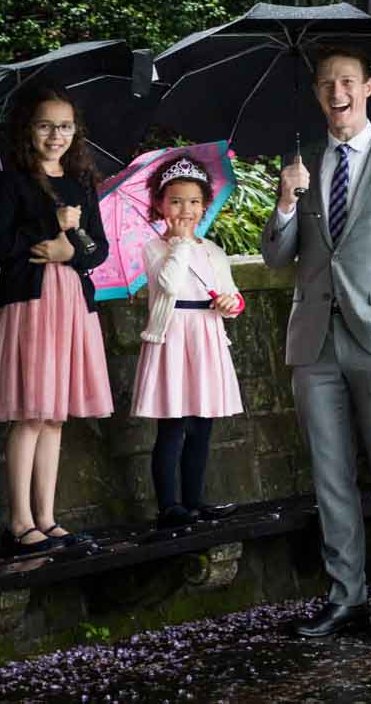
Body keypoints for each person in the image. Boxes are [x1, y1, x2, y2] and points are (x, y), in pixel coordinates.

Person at [264, 47, 371, 639]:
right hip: (314, 339)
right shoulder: (303, 161)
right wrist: (287, 201)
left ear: (367, 88)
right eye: (324, 84)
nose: (335, 92)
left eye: (346, 82)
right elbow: (275, 256)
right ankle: (347, 595)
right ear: (317, 94)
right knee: (331, 474)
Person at [0, 87, 115, 554]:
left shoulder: (81, 183)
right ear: (28, 130)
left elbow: (100, 249)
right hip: (31, 303)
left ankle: (47, 518)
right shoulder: (12, 182)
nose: (56, 135)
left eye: (65, 126)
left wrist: (72, 245)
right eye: (45, 125)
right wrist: (46, 235)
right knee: (32, 413)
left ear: (76, 132)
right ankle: (18, 523)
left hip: (71, 302)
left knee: (54, 416)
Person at [131, 155, 245, 528]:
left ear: (204, 205)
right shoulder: (154, 248)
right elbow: (168, 284)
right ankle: (169, 506)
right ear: (161, 205)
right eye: (176, 201)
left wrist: (231, 303)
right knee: (174, 424)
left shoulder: (213, 251)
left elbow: (232, 295)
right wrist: (179, 243)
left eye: (194, 202)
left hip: (206, 336)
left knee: (201, 424)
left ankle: (195, 501)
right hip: (173, 339)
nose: (186, 209)